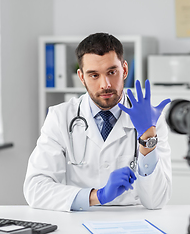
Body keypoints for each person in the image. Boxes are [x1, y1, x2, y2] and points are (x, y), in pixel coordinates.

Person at [23, 33, 172, 212]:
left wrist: (147, 137)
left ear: (124, 70)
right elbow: (35, 189)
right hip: (79, 220)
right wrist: (97, 196)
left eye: (112, 72)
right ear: (81, 77)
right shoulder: (60, 117)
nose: (105, 84)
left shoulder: (151, 120)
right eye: (94, 75)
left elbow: (156, 201)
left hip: (134, 221)